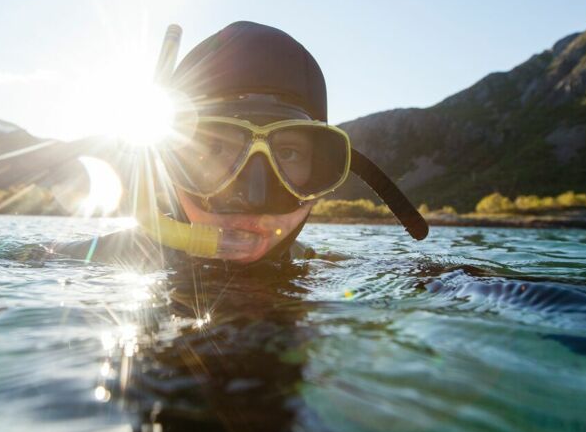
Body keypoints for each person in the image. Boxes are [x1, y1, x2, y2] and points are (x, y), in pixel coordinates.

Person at [55, 21, 427, 269]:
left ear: (323, 170)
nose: (254, 194)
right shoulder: (84, 262)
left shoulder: (331, 268)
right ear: (167, 166)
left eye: (289, 153)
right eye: (215, 149)